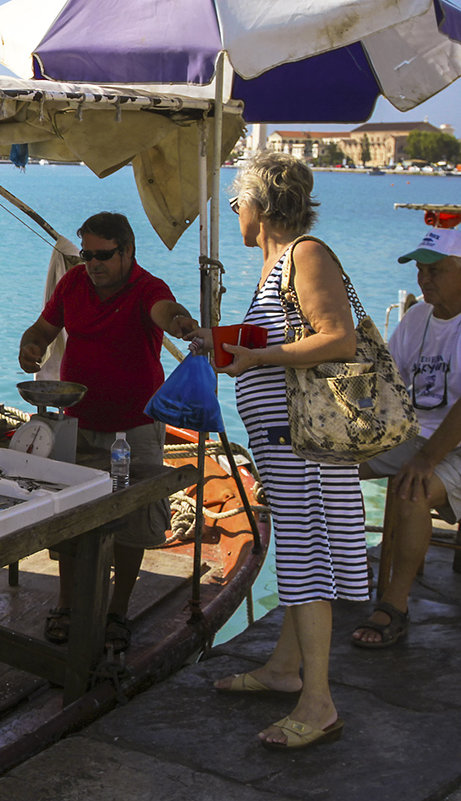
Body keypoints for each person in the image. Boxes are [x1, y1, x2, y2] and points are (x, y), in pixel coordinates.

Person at [192, 152, 368, 749]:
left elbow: (337, 338)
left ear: (258, 206)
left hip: (308, 444)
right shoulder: (275, 267)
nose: (235, 212)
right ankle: (284, 669)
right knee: (298, 546)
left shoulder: (307, 254)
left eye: (236, 201)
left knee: (306, 555)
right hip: (284, 442)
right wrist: (218, 344)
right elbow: (288, 341)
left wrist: (258, 358)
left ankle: (318, 703)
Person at [17, 211, 198, 656]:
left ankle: (117, 611)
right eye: (86, 255)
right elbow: (43, 327)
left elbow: (165, 311)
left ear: (128, 253)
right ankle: (66, 606)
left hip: (135, 425)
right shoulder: (73, 284)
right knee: (69, 515)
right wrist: (31, 344)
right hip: (76, 421)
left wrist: (180, 323)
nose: (92, 264)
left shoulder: (147, 288)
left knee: (135, 521)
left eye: (102, 255)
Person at [352, 227, 461, 647]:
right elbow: (383, 377)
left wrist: (425, 460)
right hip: (416, 438)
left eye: (436, 270)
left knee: (411, 490)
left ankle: (394, 606)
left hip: (451, 446)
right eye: (420, 269)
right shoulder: (417, 317)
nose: (424, 279)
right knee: (327, 464)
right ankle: (349, 566)